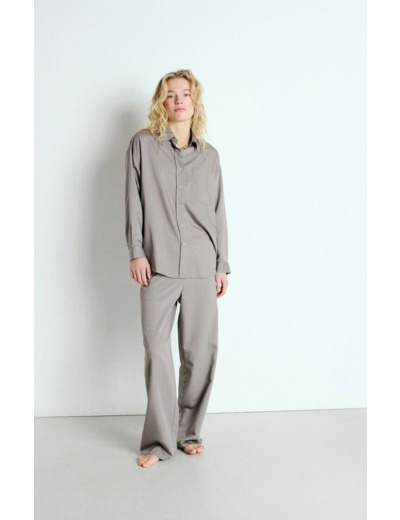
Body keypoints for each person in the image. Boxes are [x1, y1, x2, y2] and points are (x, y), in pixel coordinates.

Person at [125, 69, 231, 468]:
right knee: (157, 351)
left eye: (185, 93)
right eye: (171, 95)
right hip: (158, 265)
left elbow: (218, 213)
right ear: (162, 102)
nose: (179, 100)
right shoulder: (142, 145)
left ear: (195, 101)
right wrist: (137, 251)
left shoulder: (210, 156)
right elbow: (133, 201)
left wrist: (222, 264)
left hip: (203, 265)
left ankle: (188, 433)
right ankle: (158, 442)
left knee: (199, 354)